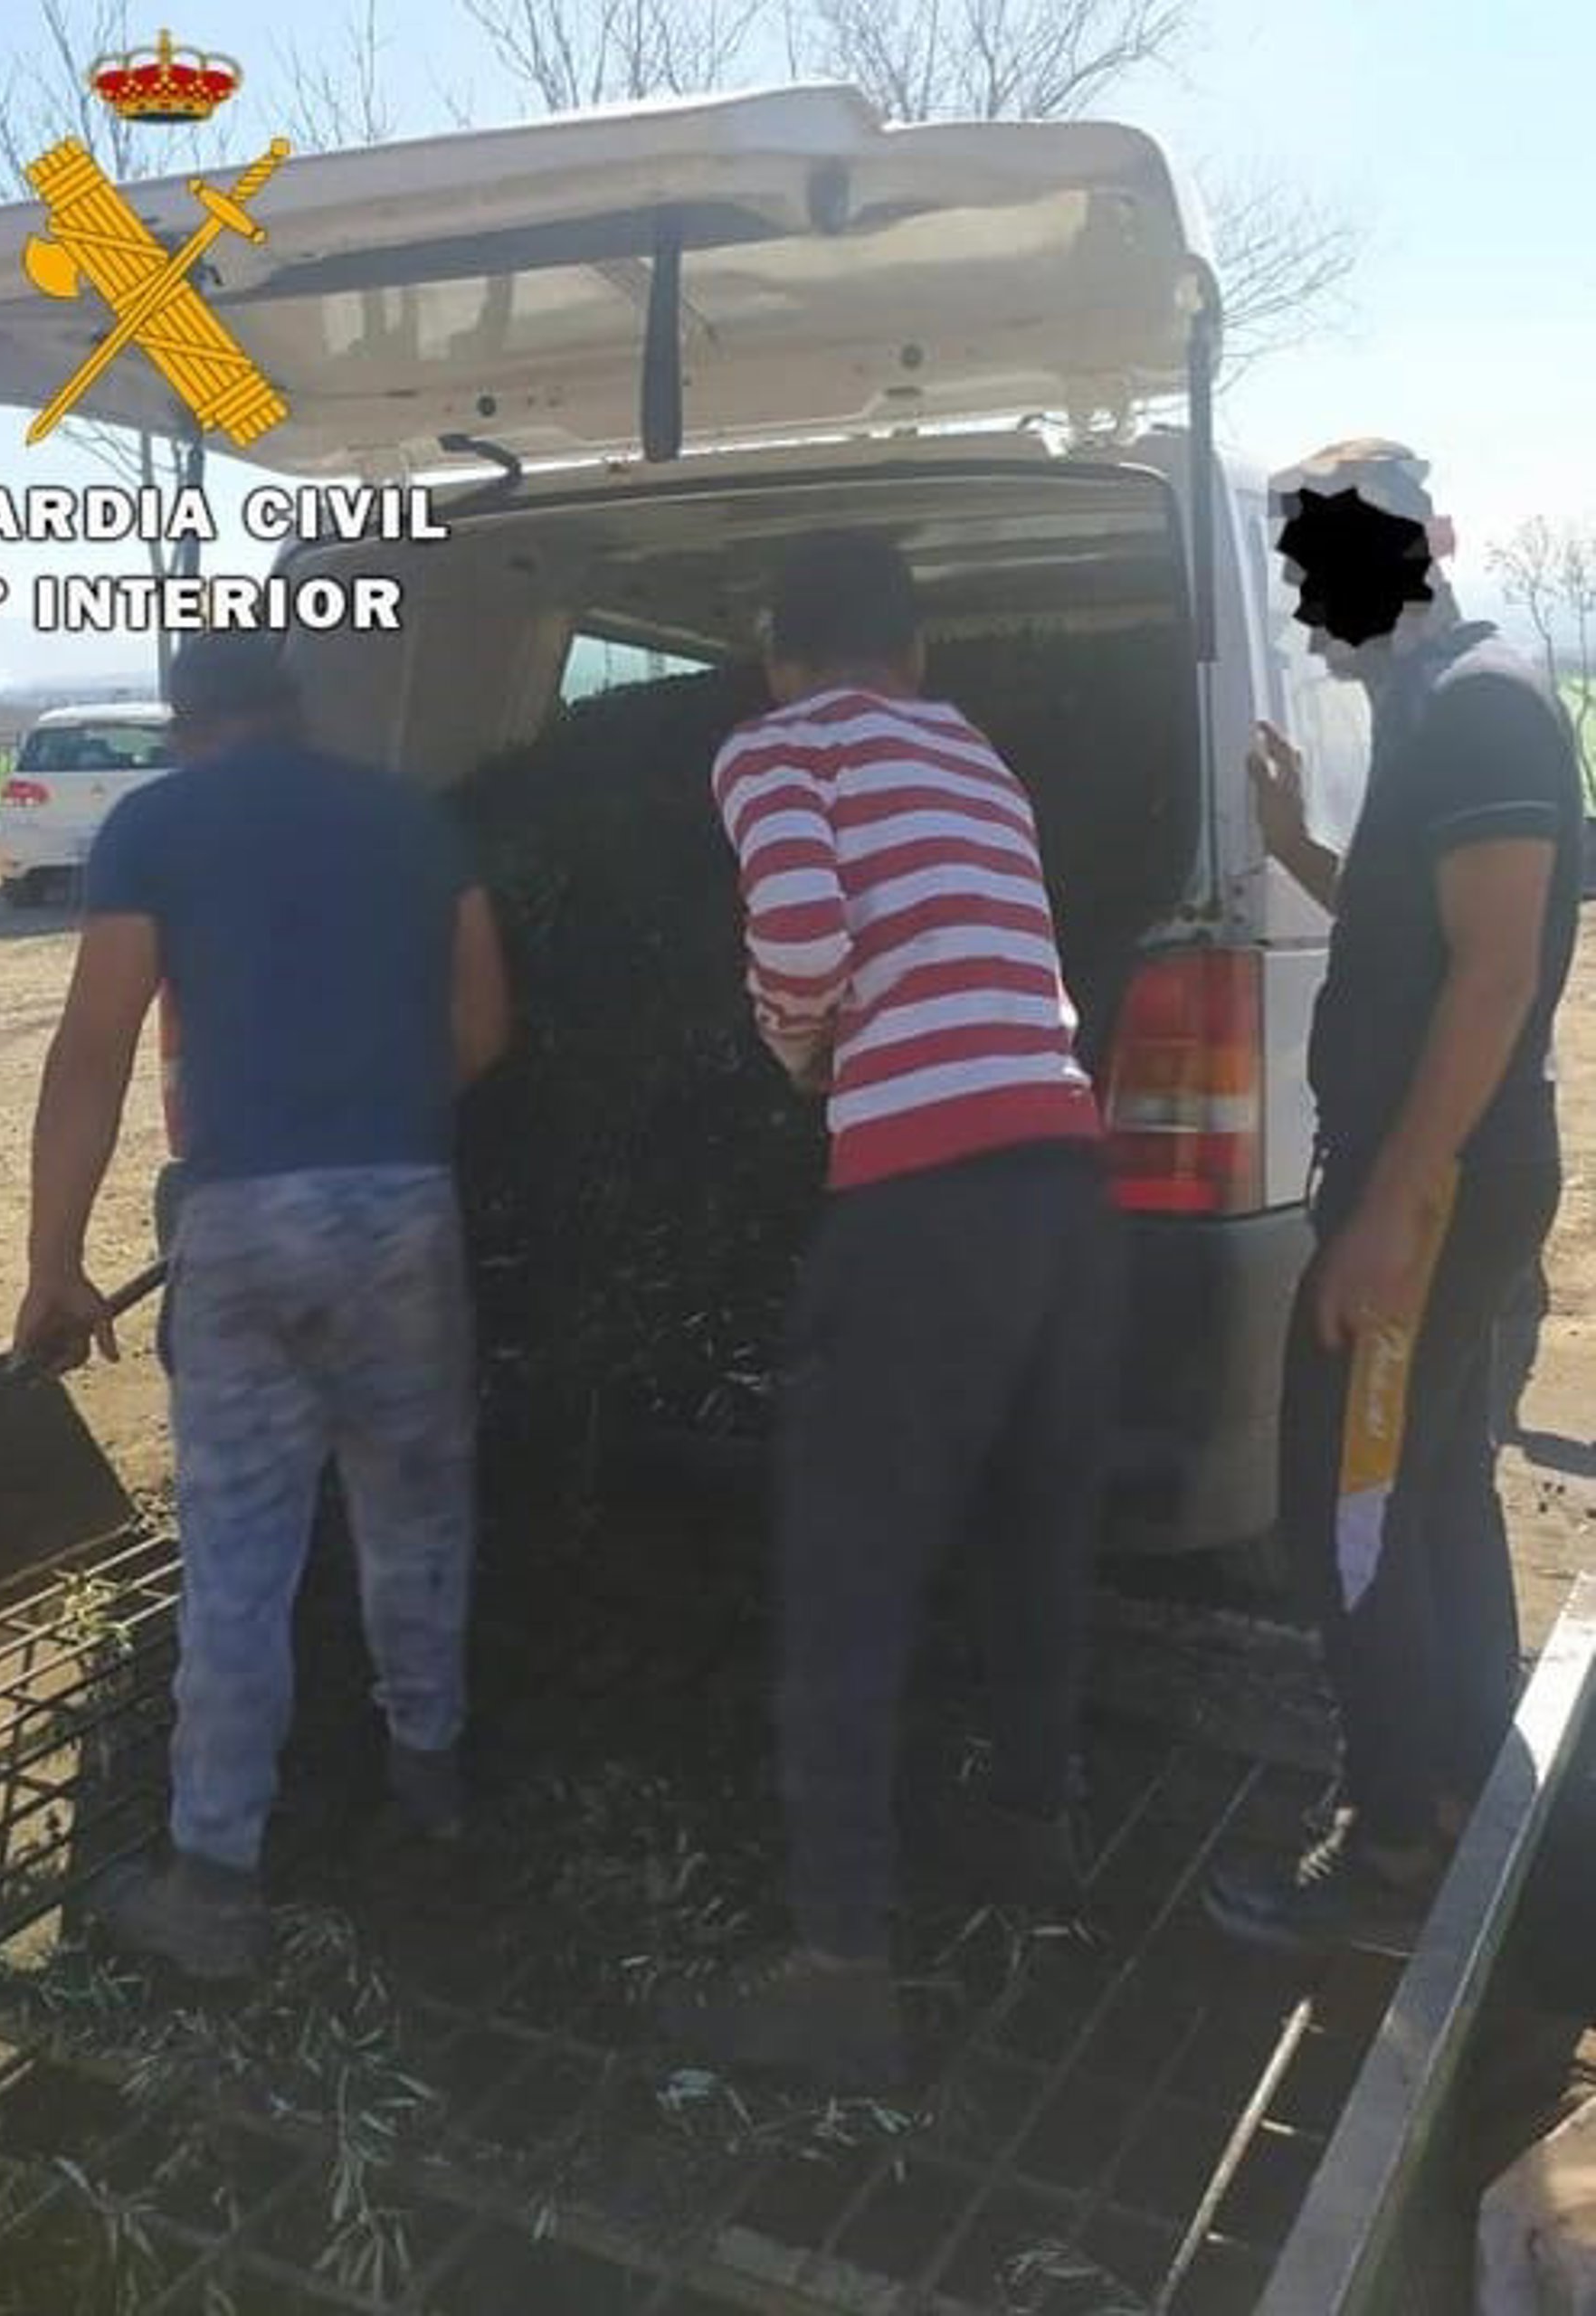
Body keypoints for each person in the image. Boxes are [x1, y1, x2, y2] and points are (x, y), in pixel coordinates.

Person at [659, 530, 1118, 2087]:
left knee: (846, 1572)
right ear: (916, 654)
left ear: (777, 660)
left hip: (925, 1202)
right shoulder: (971, 748)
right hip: (1066, 1183)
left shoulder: (777, 745)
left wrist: (797, 1050)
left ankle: (841, 1976)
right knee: (1035, 1527)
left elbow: (798, 935)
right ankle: (1035, 1830)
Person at [14, 631, 511, 1981]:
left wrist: (55, 1262)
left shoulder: (156, 826)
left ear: (184, 724)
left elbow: (95, 1048)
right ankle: (430, 1793)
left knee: (238, 1556)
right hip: (405, 1211)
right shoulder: (413, 818)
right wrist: (373, 1122)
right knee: (416, 1520)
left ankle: (215, 1883)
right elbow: (483, 1025)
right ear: (296, 709)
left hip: (241, 1225)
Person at [1205, 441, 1584, 1953]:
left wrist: (1388, 1212)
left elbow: (1492, 977)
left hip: (1435, 1187)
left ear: (1434, 542)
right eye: (1310, 570)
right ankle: (1473, 1787)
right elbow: (1413, 928)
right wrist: (1293, 839)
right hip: (1442, 1179)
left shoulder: (1482, 709)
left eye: (1347, 565)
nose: (1319, 603)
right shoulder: (1437, 715)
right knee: (1426, 1487)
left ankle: (1392, 1846)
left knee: (1348, 1506)